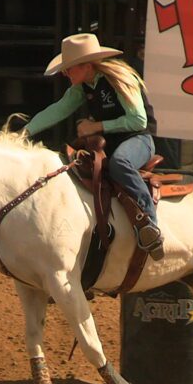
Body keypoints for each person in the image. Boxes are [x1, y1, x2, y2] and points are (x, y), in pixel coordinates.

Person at [23, 33, 164, 260]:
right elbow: (58, 110)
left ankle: (149, 224)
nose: (64, 73)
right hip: (111, 143)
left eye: (69, 68)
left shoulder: (120, 78)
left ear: (87, 66)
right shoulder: (83, 87)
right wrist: (24, 132)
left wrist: (95, 126)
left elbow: (139, 121)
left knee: (120, 162)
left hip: (139, 139)